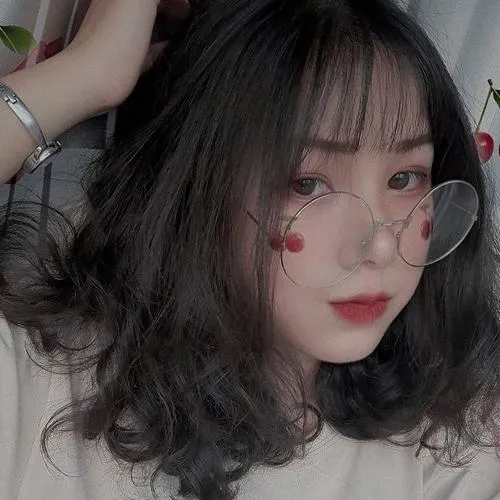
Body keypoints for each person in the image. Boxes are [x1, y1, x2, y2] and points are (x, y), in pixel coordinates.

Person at [0, 0, 499, 499]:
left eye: (405, 178)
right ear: (197, 188)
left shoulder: (447, 449)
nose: (382, 245)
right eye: (307, 184)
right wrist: (89, 75)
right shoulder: (40, 388)